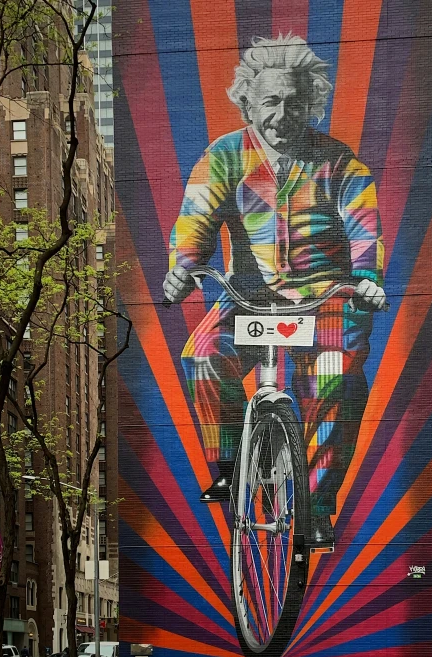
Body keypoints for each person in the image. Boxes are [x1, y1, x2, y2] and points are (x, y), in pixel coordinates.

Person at [163, 33, 386, 547]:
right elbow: (195, 217)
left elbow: (364, 226)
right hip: (248, 296)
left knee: (335, 383)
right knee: (201, 357)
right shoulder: (222, 158)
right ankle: (233, 463)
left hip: (326, 298)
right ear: (247, 102)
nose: (281, 114)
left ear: (310, 105)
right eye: (270, 101)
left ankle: (317, 506)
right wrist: (184, 266)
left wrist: (367, 280)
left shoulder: (339, 163)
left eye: (293, 102)